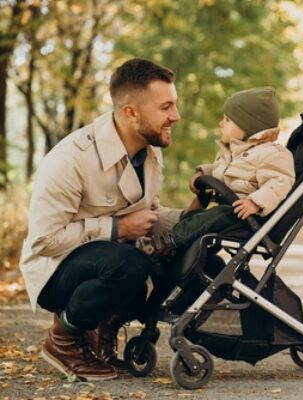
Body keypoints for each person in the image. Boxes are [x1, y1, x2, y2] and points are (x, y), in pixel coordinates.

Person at [19, 58, 186, 381]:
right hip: (56, 272)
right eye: (166, 107)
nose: (175, 116)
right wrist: (118, 228)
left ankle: (102, 327)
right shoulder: (71, 159)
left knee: (183, 256)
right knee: (130, 265)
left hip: (107, 261)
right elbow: (44, 240)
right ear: (130, 113)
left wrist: (194, 218)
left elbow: (147, 213)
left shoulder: (150, 152)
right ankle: (63, 339)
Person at [136, 86, 295, 259]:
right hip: (231, 212)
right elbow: (224, 170)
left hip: (250, 218)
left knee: (215, 215)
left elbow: (279, 182)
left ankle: (166, 243)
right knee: (196, 217)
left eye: (227, 120)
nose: (221, 124)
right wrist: (203, 173)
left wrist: (255, 203)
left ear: (247, 126)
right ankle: (180, 252)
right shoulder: (234, 152)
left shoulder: (272, 154)